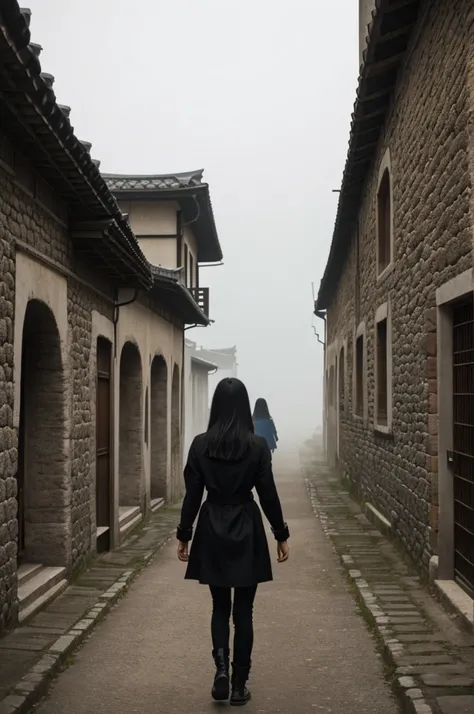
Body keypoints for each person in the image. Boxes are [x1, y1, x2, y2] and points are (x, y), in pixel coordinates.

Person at [176, 377, 290, 707]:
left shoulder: (200, 445)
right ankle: (240, 685)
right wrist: (280, 534)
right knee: (244, 610)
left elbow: (192, 495)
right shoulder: (255, 446)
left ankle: (221, 670)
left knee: (219, 607)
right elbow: (268, 494)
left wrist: (184, 534)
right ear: (244, 407)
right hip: (246, 525)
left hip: (212, 526)